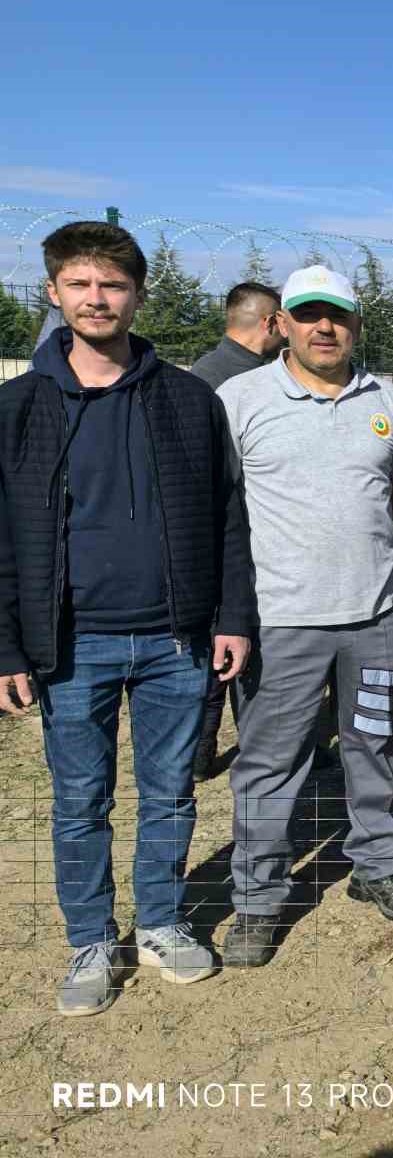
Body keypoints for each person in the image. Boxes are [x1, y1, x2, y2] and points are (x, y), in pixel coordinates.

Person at [0, 222, 254, 1015]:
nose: (96, 298)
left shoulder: (185, 398)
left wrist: (233, 617)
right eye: (80, 284)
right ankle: (89, 939)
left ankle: (162, 922)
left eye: (111, 285)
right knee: (81, 800)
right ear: (54, 293)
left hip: (176, 637)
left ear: (137, 295)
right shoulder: (19, 406)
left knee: (171, 792)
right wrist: (6, 644)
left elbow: (227, 517)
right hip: (72, 645)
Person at [218, 264, 393, 967]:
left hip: (373, 615)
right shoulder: (241, 399)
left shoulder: (388, 400)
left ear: (356, 325)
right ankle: (257, 899)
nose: (324, 327)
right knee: (272, 761)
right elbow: (219, 508)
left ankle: (377, 865)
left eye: (336, 315)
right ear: (282, 322)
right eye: (308, 314)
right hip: (282, 621)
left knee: (372, 744)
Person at [189, 281, 285, 782]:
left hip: (250, 536)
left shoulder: (206, 371)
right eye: (285, 322)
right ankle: (201, 749)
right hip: (232, 537)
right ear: (271, 323)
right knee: (223, 651)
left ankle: (208, 752)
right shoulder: (223, 382)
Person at [190, 281, 284, 390]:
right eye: (283, 323)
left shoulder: (205, 371)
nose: (285, 333)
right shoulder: (210, 377)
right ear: (270, 322)